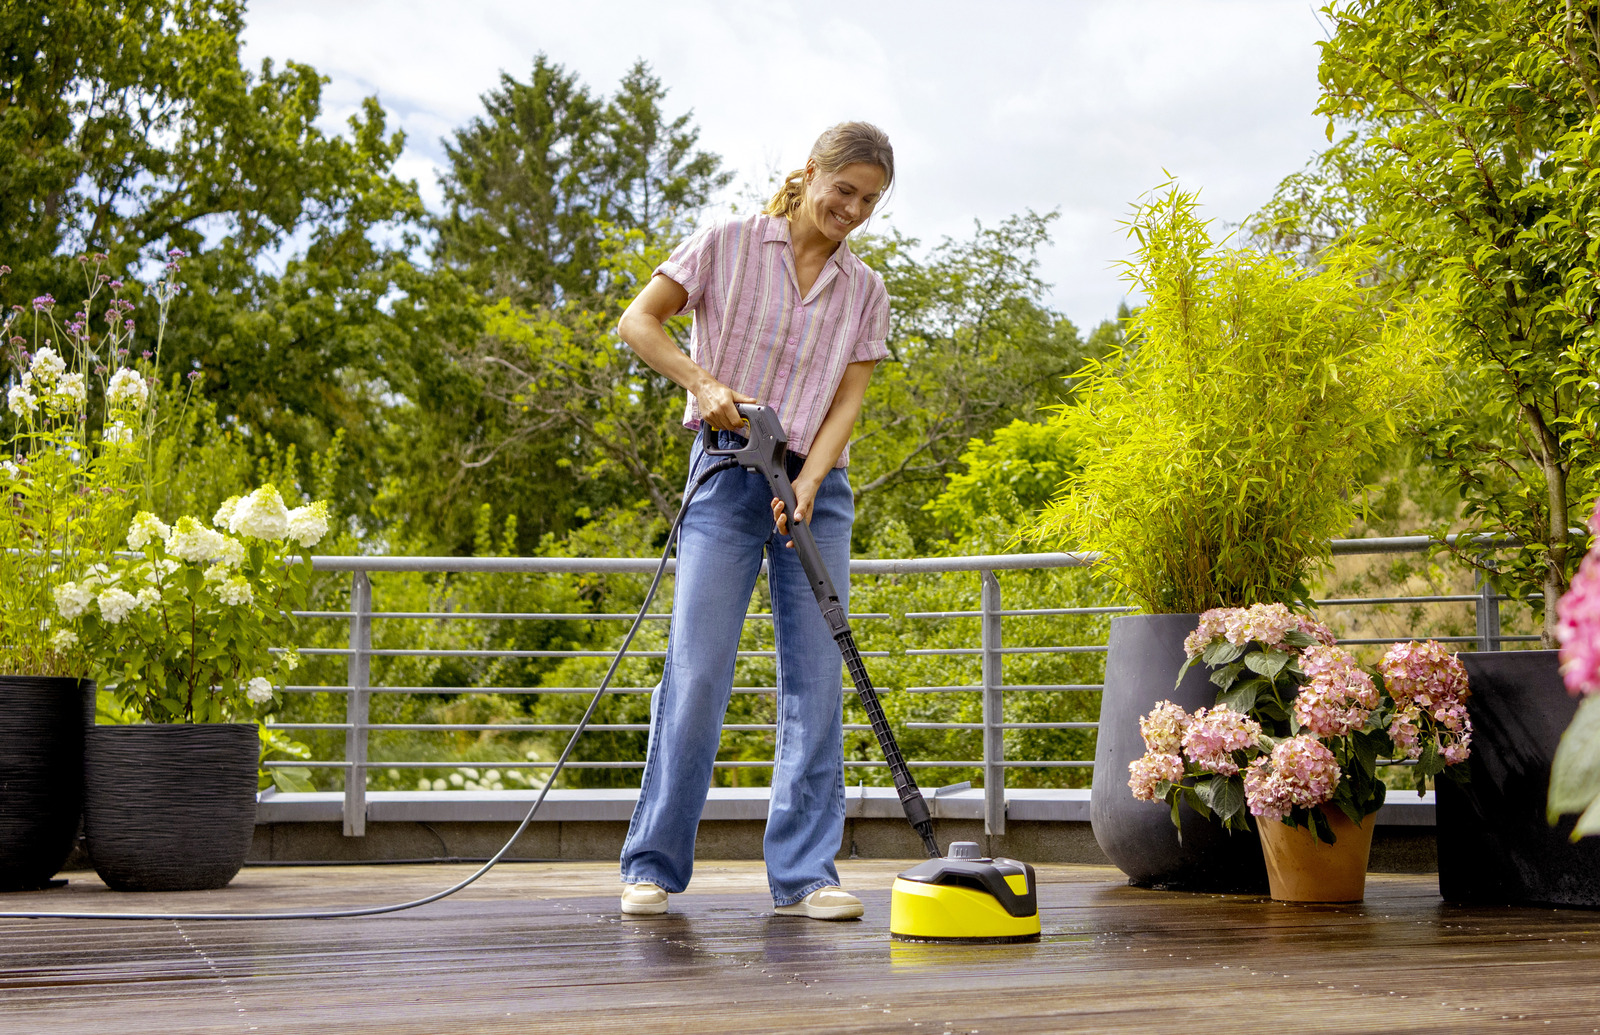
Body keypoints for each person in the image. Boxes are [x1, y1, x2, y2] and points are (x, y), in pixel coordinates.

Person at [614, 122, 894, 920]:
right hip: (727, 475)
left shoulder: (865, 290)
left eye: (870, 200)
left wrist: (809, 481)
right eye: (844, 190)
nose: (853, 210)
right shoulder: (728, 243)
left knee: (816, 680)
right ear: (809, 174)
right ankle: (652, 864)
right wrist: (701, 382)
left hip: (815, 491)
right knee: (698, 669)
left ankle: (807, 873)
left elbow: (847, 403)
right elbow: (638, 321)